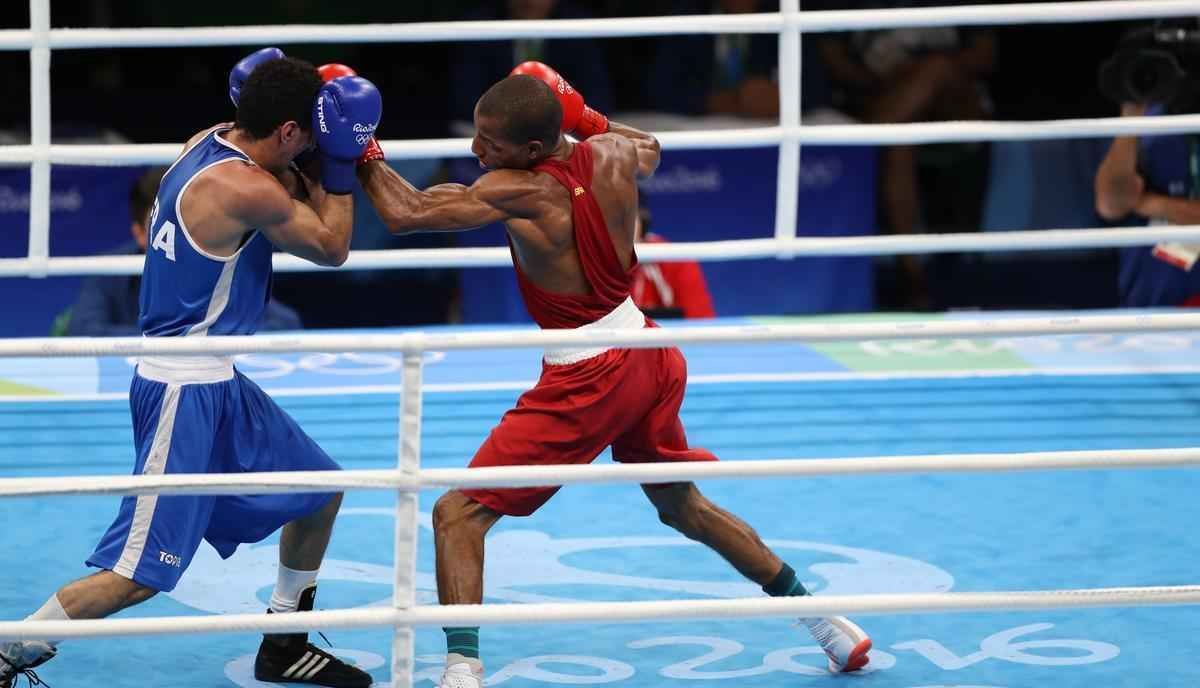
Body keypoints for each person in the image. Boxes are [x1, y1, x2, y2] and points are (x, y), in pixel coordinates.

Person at [354, 61, 871, 687]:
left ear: (535, 149)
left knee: (457, 514)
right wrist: (586, 113)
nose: (474, 149)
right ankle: (824, 622)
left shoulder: (522, 189)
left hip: (589, 375)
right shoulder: (614, 153)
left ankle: (462, 670)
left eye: (490, 143)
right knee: (682, 506)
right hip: (648, 351)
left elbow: (405, 213)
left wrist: (360, 144)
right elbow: (649, 146)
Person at [0, 49, 382, 688]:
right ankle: (10, 649)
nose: (308, 148)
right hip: (184, 388)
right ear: (287, 132)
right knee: (137, 577)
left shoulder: (208, 140)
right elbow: (332, 246)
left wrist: (308, 113)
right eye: (305, 137)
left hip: (217, 379)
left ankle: (283, 641)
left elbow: (284, 170)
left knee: (318, 492)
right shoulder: (245, 188)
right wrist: (341, 161)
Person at [815, 0, 996, 309]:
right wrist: (873, 77)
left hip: (952, 107)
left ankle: (881, 128)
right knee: (897, 140)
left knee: (933, 70)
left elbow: (986, 53)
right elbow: (829, 54)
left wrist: (923, 69)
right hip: (876, 97)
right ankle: (914, 279)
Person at [64, 166, 302, 336]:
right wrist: (180, 339)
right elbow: (83, 331)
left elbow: (285, 324)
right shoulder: (111, 271)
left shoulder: (219, 259)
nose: (182, 234)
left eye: (185, 221)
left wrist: (204, 337)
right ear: (138, 233)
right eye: (165, 227)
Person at [448, 0, 613, 128]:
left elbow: (599, 96)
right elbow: (465, 99)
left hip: (561, 132)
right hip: (497, 131)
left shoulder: (577, 27)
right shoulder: (479, 27)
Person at [647, 0, 788, 119]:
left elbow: (816, 88)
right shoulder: (687, 19)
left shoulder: (784, 21)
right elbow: (658, 90)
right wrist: (727, 101)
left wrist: (782, 97)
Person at [1094, 101, 1200, 305]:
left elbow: (1128, 202)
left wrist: (1150, 204)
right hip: (1152, 309)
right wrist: (1130, 119)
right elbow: (1110, 205)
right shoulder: (1144, 125)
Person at [630, 202, 716, 319]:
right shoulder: (597, 265)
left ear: (642, 223)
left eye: (624, 218)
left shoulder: (677, 261)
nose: (617, 229)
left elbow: (701, 324)